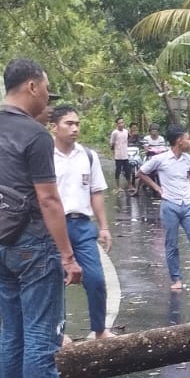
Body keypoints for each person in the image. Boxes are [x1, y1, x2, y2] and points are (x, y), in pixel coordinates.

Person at [0, 58, 90, 378]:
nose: (47, 95)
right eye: (45, 87)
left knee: (12, 337)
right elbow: (48, 198)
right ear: (31, 87)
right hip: (33, 247)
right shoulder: (35, 135)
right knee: (42, 338)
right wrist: (68, 256)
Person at [50, 106, 113, 338]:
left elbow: (96, 192)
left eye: (77, 123)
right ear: (54, 127)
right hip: (54, 227)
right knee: (56, 281)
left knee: (95, 278)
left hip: (82, 225)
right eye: (69, 123)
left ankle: (100, 329)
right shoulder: (44, 156)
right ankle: (59, 332)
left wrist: (103, 226)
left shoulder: (88, 156)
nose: (75, 128)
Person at [138, 128, 190, 291]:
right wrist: (158, 188)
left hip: (188, 205)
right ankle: (176, 279)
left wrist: (188, 184)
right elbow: (141, 173)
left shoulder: (188, 159)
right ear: (179, 141)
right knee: (171, 244)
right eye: (188, 139)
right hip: (170, 205)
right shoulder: (160, 159)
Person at [110, 117, 134, 194]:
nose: (121, 124)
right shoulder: (115, 133)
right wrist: (113, 153)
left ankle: (130, 186)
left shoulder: (126, 131)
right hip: (118, 155)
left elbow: (129, 139)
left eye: (122, 122)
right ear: (117, 124)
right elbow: (112, 144)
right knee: (118, 171)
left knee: (127, 171)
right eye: (119, 123)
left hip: (125, 155)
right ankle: (118, 187)